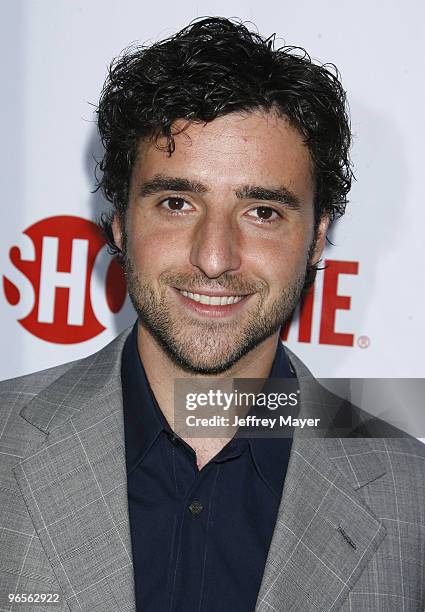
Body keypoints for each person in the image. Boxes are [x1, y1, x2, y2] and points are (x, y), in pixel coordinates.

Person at [0, 17, 424, 612]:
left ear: (318, 237)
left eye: (262, 212)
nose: (215, 258)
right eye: (177, 203)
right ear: (120, 221)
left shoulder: (411, 496)